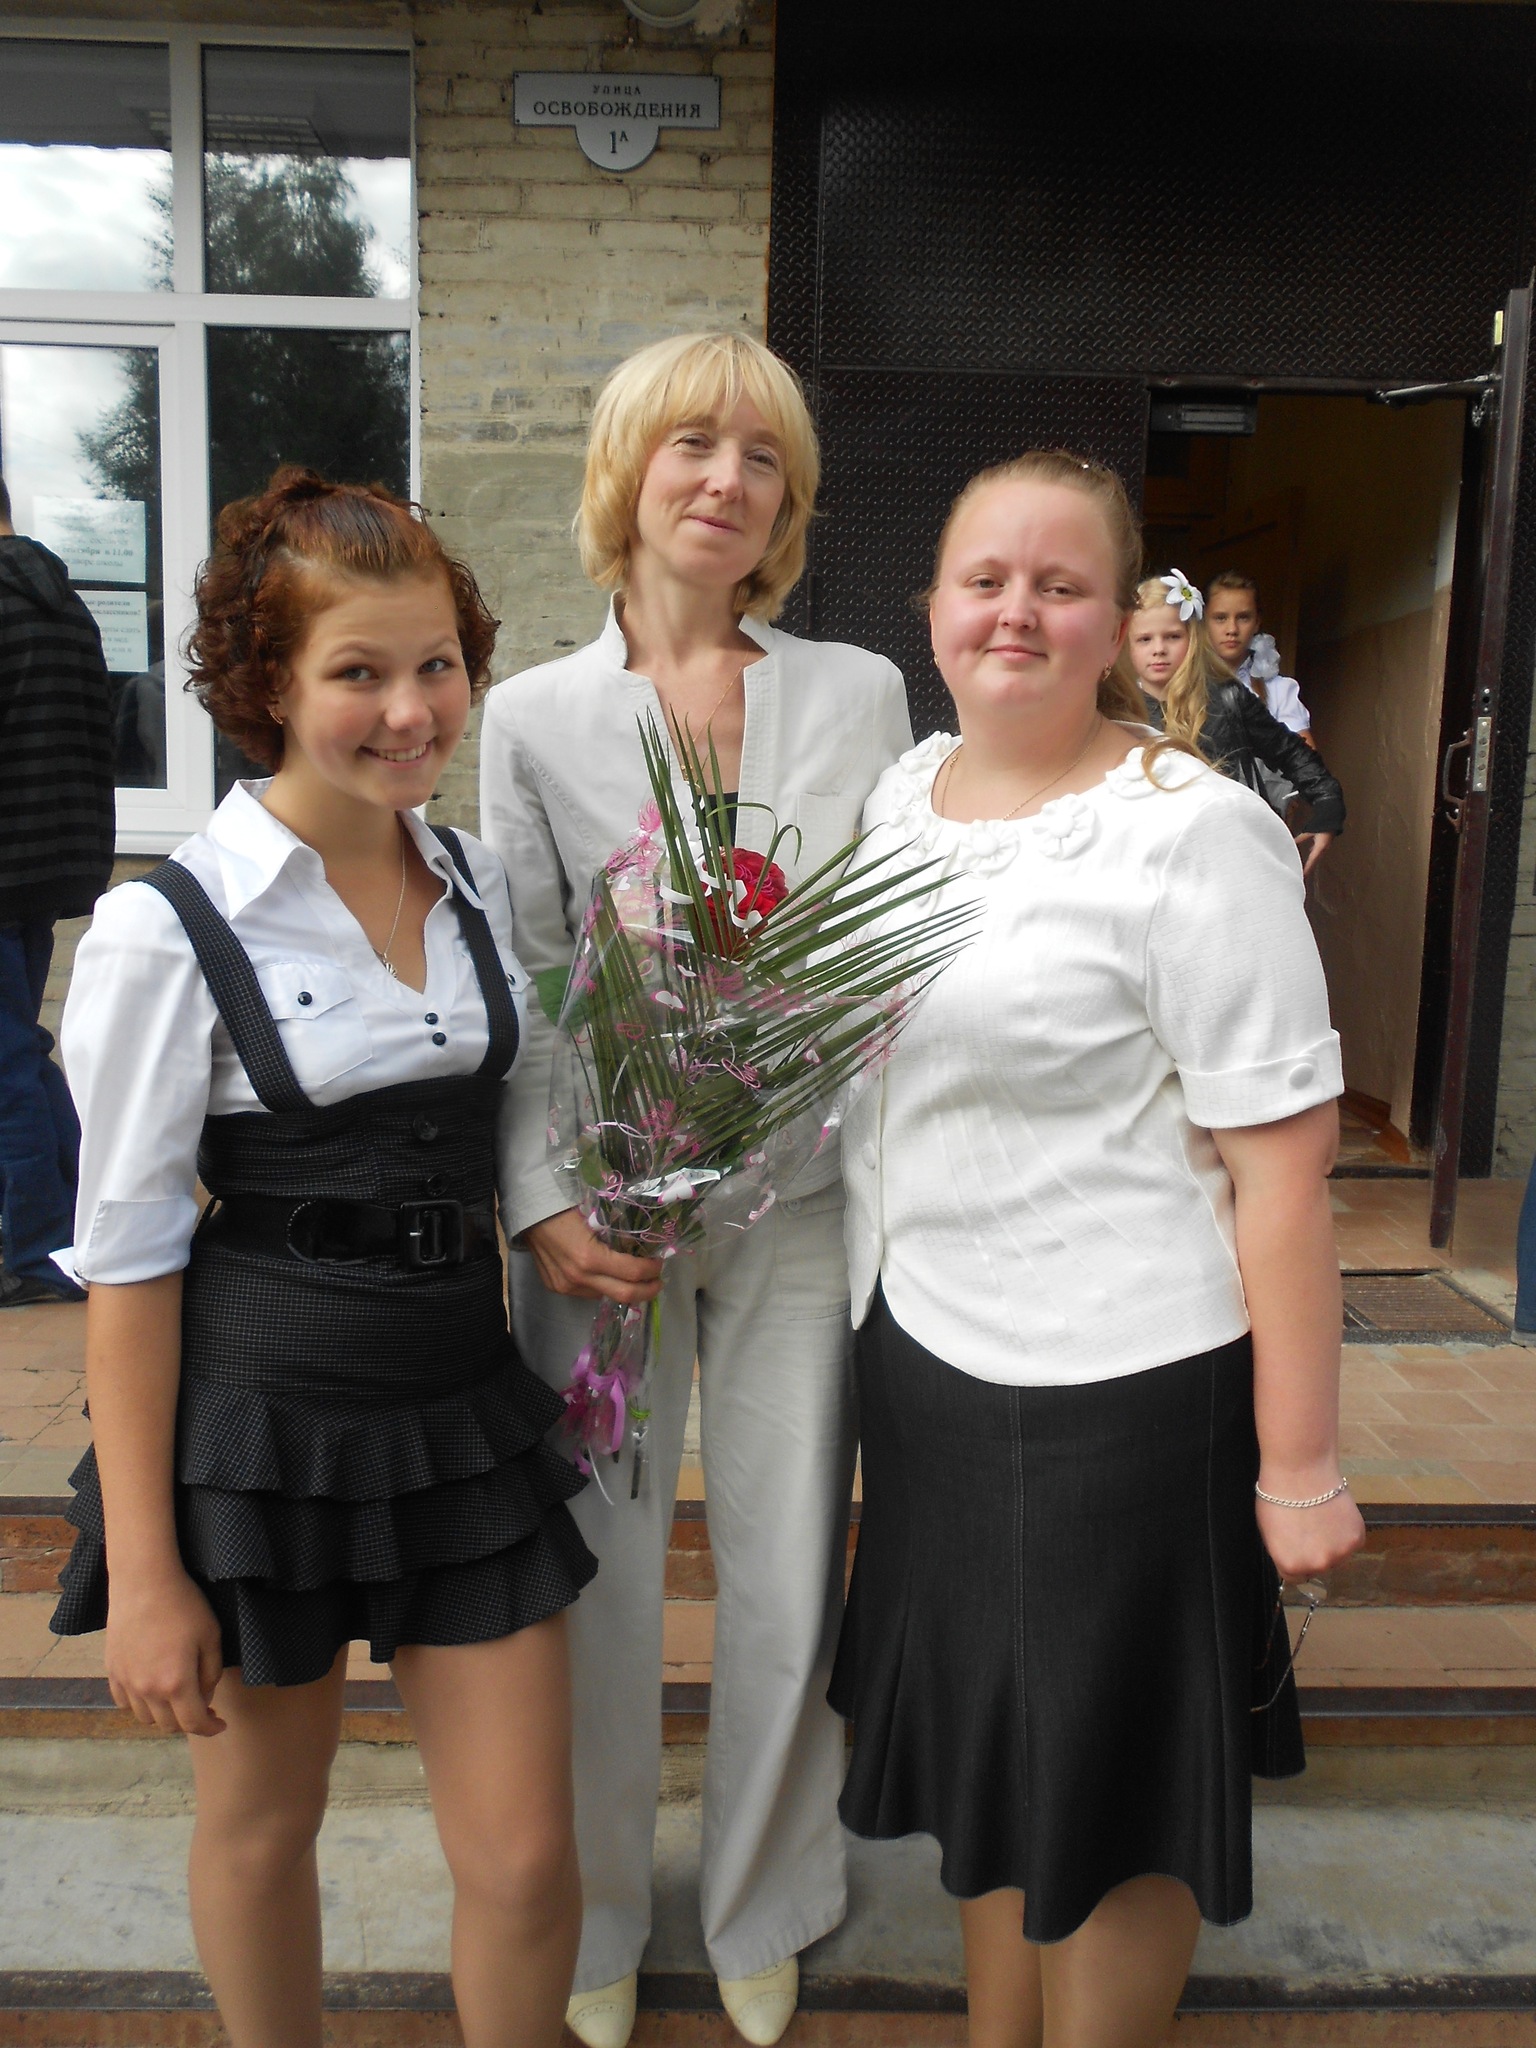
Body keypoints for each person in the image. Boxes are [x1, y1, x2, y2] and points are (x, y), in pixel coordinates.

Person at [49, 469, 596, 2048]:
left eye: (437, 664)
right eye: (359, 671)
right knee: (262, 1824)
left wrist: (565, 1207)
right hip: (260, 1425)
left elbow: (520, 1109)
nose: (410, 710)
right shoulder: (171, 925)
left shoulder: (478, 876)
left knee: (525, 1859)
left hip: (459, 1405)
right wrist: (149, 1571)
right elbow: (131, 1265)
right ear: (269, 684)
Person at [831, 451, 1364, 2048]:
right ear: (931, 605)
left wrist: (1300, 1465)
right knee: (996, 1770)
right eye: (985, 579)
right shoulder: (899, 798)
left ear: (1120, 619)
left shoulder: (1195, 834)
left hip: (1122, 1395)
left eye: (1060, 585)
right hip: (924, 1363)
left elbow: (1286, 1172)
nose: (1018, 611)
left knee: (1113, 1797)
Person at [480, 331, 913, 2048]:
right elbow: (521, 976)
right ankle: (592, 1908)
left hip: (800, 1204)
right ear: (627, 471)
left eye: (763, 456)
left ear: (789, 502)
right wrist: (540, 1203)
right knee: (593, 1571)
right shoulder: (532, 716)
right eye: (693, 446)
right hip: (607, 1230)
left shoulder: (860, 693)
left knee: (791, 1562)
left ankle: (762, 1895)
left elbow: (885, 957)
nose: (727, 481)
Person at [0, 473, 116, 1307]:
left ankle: (37, 1247)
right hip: (44, 860)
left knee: (5, 1060)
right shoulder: (62, 604)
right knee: (18, 1049)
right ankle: (81, 1221)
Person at [1124, 571, 1344, 874]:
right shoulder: (1115, 710)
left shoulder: (1227, 697)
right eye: (1145, 639)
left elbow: (1291, 751)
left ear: (1193, 637)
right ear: (1127, 643)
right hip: (1145, 864)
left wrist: (1327, 802)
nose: (1159, 648)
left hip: (1223, 856)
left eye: (1173, 636)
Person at [1204, 570, 1316, 742]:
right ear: (1203, 621)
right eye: (1220, 618)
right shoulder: (1184, 685)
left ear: (1257, 622)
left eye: (1243, 618)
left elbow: (1305, 756)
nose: (1232, 629)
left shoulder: (1279, 690)